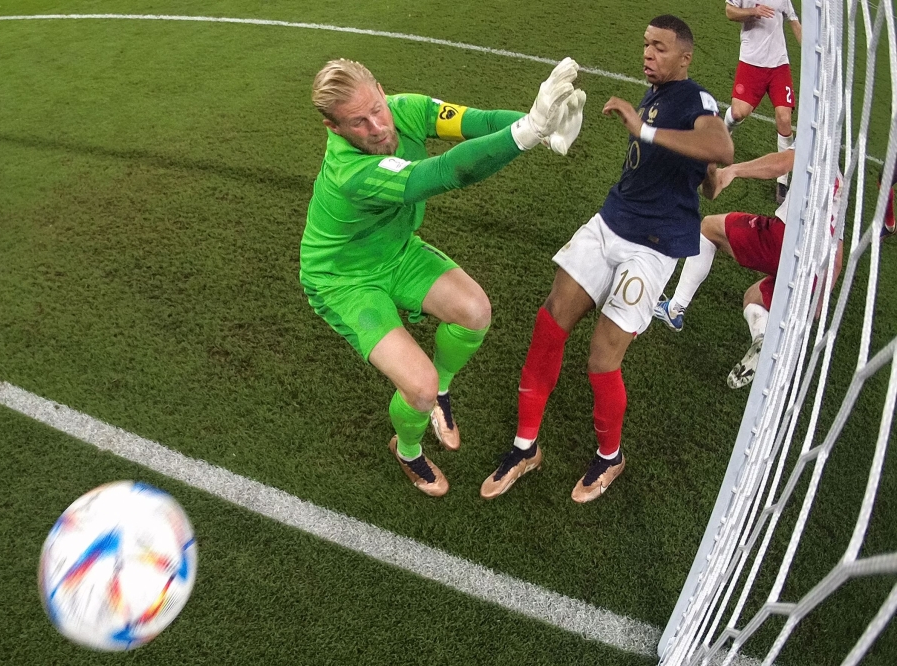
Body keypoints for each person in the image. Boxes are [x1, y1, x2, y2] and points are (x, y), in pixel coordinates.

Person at [300, 58, 586, 496]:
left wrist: (539, 128)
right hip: (343, 279)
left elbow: (478, 122)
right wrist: (526, 134)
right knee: (417, 387)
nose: (377, 126)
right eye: (358, 122)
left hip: (395, 251)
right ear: (333, 127)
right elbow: (448, 171)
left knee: (474, 312)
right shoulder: (351, 174)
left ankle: (442, 395)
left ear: (381, 86)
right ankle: (408, 449)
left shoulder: (406, 109)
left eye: (377, 107)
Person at [479, 15, 734, 503]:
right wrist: (702, 175)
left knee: (602, 358)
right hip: (610, 222)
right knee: (551, 321)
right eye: (645, 45)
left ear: (686, 57)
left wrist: (646, 131)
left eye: (659, 48)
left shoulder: (695, 97)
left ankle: (609, 455)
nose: (648, 54)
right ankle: (525, 446)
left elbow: (719, 144)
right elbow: (699, 162)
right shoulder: (655, 93)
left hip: (653, 248)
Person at [653, 148, 845, 388]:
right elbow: (837, 257)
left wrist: (733, 170)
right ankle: (762, 340)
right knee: (754, 298)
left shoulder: (817, 146)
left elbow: (782, 163)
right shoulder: (840, 185)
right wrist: (819, 300)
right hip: (814, 270)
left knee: (709, 228)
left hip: (786, 241)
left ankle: (675, 309)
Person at [724, 0, 802, 204]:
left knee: (784, 118)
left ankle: (782, 180)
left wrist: (814, 55)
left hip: (779, 65)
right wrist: (753, 11)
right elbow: (730, 12)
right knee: (738, 113)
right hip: (751, 62)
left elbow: (794, 21)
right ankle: (724, 132)